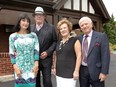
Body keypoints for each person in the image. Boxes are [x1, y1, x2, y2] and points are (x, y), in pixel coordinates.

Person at [78, 16, 110, 87]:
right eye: (82, 25)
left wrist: (104, 72)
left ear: (91, 24)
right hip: (82, 71)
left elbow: (105, 56)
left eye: (86, 24)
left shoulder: (101, 36)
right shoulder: (78, 38)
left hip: (97, 72)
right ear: (80, 28)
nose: (84, 26)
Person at [9, 13, 39, 87]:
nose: (26, 23)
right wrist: (15, 67)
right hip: (19, 68)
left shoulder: (33, 35)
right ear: (19, 22)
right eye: (23, 20)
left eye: (27, 21)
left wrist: (36, 64)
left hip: (31, 68)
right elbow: (11, 53)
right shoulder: (13, 36)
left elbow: (36, 50)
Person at [31, 6, 57, 87]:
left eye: (41, 14)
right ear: (34, 17)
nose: (39, 16)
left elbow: (55, 41)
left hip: (46, 60)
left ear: (44, 16)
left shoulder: (51, 28)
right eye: (37, 14)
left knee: (47, 82)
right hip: (34, 60)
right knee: (35, 82)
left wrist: (48, 52)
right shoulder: (30, 28)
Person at [52, 18, 82, 87]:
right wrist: (54, 67)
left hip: (70, 73)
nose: (63, 30)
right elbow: (56, 55)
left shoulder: (75, 40)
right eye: (61, 29)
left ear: (69, 28)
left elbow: (79, 55)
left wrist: (76, 71)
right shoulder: (58, 42)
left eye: (64, 28)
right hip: (59, 72)